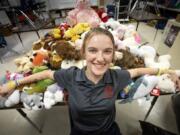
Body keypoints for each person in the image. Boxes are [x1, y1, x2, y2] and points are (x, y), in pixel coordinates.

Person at [0, 27, 180, 135]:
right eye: (93, 50)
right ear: (83, 53)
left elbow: (139, 70)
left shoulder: (116, 77)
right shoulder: (71, 76)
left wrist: (168, 71)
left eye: (107, 51)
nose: (100, 58)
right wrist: (14, 84)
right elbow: (46, 74)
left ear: (113, 54)